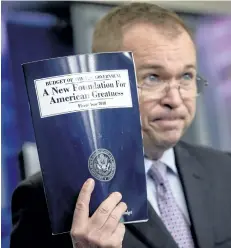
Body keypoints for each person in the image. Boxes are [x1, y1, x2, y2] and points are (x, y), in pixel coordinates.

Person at [10, 2, 231, 248]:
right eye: (153, 77)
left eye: (186, 76)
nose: (175, 100)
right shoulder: (43, 200)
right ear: (104, 80)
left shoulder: (225, 170)